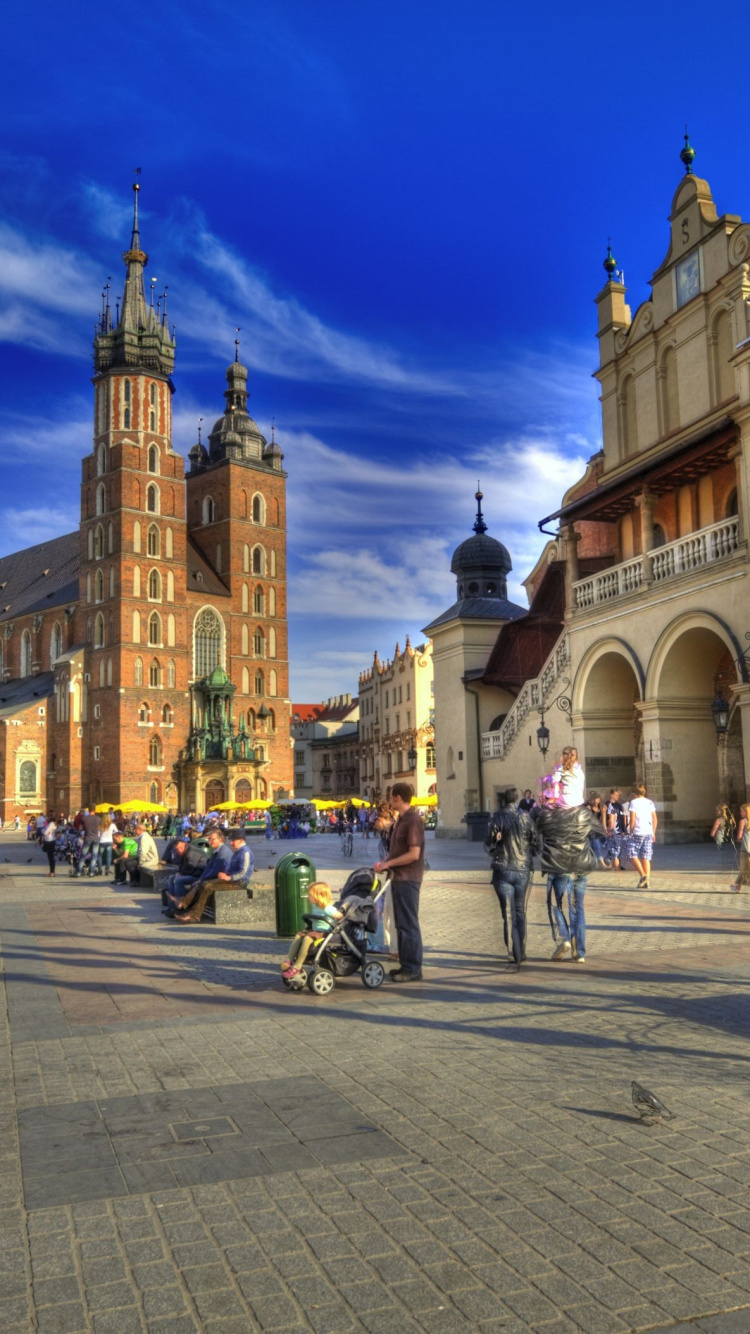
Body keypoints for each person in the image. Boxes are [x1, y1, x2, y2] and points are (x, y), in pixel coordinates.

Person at [535, 800, 600, 963]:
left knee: (559, 904)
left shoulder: (547, 814)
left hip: (558, 864)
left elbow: (534, 830)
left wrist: (543, 805)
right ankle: (580, 952)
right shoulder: (584, 813)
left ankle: (564, 936)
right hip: (580, 864)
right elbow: (600, 831)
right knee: (578, 907)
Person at [484, 787, 540, 969]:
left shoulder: (497, 817)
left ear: (503, 800)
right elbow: (536, 842)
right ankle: (521, 950)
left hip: (502, 868)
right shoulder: (526, 816)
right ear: (516, 800)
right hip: (523, 869)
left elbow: (488, 843)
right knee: (519, 909)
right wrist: (529, 851)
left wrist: (496, 843)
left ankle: (511, 952)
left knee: (507, 912)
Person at [375, 782, 425, 982]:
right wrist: (384, 863)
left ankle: (413, 968)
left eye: (391, 797)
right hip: (397, 878)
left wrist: (389, 864)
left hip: (408, 878)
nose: (389, 801)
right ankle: (405, 965)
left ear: (397, 797)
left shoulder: (412, 820)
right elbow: (397, 851)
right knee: (401, 925)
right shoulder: (401, 820)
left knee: (409, 924)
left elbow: (414, 854)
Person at [176, 831, 254, 923]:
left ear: (241, 840)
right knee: (204, 884)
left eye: (233, 841)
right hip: (232, 880)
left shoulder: (245, 852)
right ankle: (186, 905)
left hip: (241, 883)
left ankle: (194, 914)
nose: (231, 843)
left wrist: (230, 878)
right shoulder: (238, 851)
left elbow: (243, 871)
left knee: (208, 887)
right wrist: (226, 875)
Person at [281, 882, 343, 979]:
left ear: (319, 896)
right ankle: (289, 960)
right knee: (298, 936)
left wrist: (340, 916)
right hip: (315, 931)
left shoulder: (328, 909)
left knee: (307, 939)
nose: (308, 896)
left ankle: (297, 966)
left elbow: (340, 916)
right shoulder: (315, 906)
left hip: (324, 933)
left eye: (310, 895)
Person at [174, 829, 233, 918]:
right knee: (199, 883)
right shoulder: (216, 850)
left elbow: (215, 870)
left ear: (220, 839)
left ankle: (188, 909)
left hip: (225, 879)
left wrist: (202, 880)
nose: (210, 842)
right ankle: (182, 904)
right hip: (218, 877)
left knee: (202, 885)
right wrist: (201, 879)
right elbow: (209, 868)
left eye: (212, 839)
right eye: (209, 839)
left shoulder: (223, 852)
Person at [628, 782, 657, 888]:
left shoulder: (634, 802)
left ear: (634, 793)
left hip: (638, 831)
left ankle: (643, 875)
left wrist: (630, 831)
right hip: (648, 832)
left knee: (631, 854)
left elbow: (632, 818)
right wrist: (653, 831)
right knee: (646, 856)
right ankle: (647, 881)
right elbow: (654, 818)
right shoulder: (649, 802)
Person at [75, 809, 101, 877]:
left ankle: (79, 872)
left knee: (83, 855)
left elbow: (80, 828)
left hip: (87, 838)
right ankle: (91, 872)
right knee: (94, 856)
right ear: (94, 810)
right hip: (96, 839)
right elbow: (100, 828)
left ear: (89, 811)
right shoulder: (99, 819)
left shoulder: (84, 818)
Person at [605, 788, 626, 871]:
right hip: (614, 830)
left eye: (618, 795)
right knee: (616, 848)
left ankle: (612, 862)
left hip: (620, 830)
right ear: (611, 795)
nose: (617, 797)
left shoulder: (620, 806)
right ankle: (615, 866)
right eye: (616, 795)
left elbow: (622, 818)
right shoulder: (610, 805)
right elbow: (611, 819)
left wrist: (624, 830)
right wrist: (610, 830)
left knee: (618, 848)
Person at [731, 804, 750, 893]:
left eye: (742, 811)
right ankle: (738, 887)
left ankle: (738, 888)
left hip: (745, 849)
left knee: (743, 869)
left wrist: (738, 839)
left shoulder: (743, 821)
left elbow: (739, 836)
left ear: (746, 812)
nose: (740, 812)